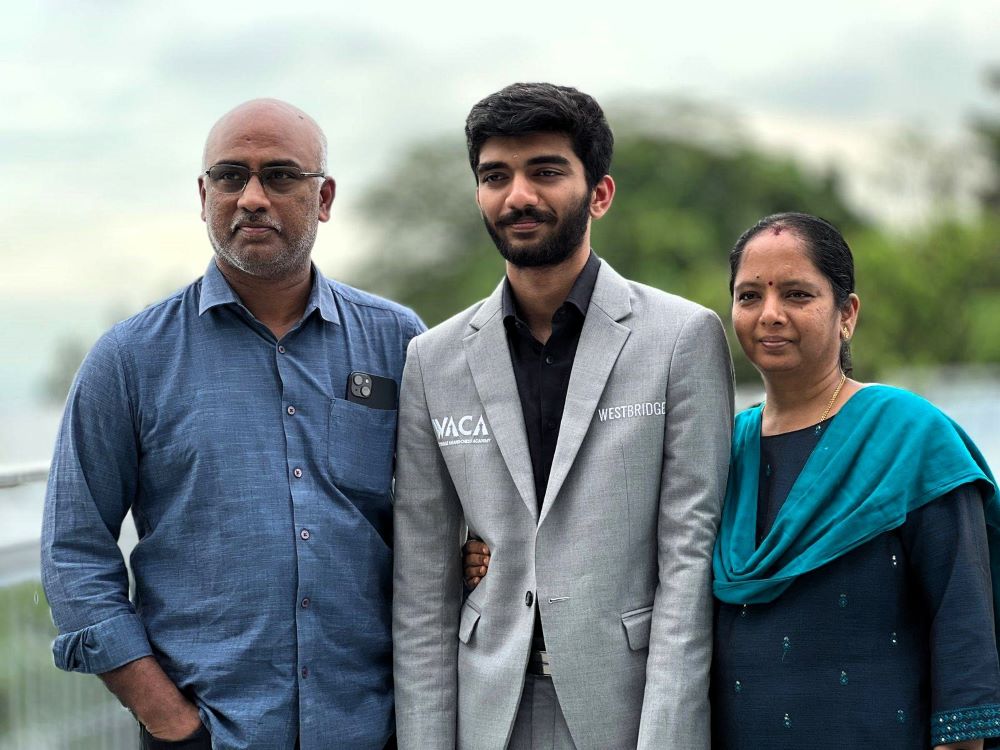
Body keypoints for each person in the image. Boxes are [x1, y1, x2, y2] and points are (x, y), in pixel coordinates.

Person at [41, 99, 423, 750]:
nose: (251, 198)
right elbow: (74, 553)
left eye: (279, 176)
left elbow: (445, 526)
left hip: (376, 729)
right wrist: (169, 721)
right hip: (213, 734)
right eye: (229, 176)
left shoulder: (399, 344)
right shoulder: (130, 360)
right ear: (203, 195)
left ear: (324, 197)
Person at [392, 82, 734, 750]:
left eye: (545, 170)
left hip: (625, 710)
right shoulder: (431, 360)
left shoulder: (681, 339)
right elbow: (421, 592)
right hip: (485, 710)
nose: (519, 195)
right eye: (496, 176)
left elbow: (687, 566)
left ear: (599, 193)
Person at [710, 212, 1000, 749]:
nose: (769, 314)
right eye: (749, 296)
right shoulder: (721, 449)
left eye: (797, 295)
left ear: (847, 314)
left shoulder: (910, 437)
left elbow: (963, 627)